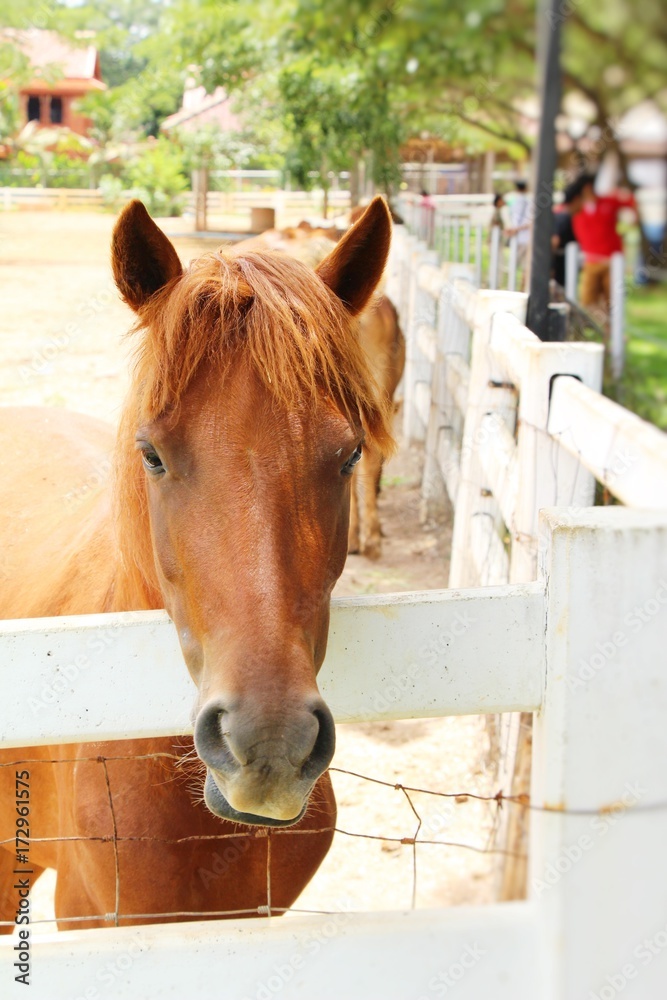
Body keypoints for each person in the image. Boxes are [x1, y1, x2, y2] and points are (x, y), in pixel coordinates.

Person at [570, 173, 637, 313]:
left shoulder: (609, 201)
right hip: (591, 261)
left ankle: (611, 331)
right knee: (587, 301)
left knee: (612, 300)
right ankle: (594, 330)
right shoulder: (577, 208)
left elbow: (631, 204)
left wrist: (627, 227)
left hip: (611, 261)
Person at [551, 178, 583, 288]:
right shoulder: (564, 218)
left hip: (566, 260)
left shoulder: (565, 216)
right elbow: (555, 240)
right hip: (562, 262)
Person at [506, 179, 531, 286]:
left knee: (515, 265)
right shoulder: (528, 201)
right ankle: (522, 287)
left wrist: (513, 230)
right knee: (526, 267)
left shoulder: (516, 202)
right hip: (525, 238)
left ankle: (513, 286)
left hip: (519, 238)